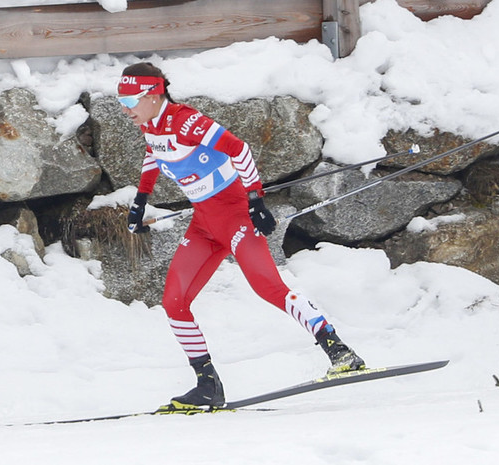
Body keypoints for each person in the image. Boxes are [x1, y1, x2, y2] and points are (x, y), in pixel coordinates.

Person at [116, 62, 364, 409]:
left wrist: (256, 200)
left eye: (130, 100)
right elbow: (153, 155)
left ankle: (339, 351)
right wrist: (140, 202)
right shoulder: (150, 125)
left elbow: (239, 149)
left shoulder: (187, 121)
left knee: (268, 286)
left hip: (234, 215)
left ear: (154, 94)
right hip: (204, 223)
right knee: (174, 302)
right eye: (121, 101)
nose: (125, 108)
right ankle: (207, 385)